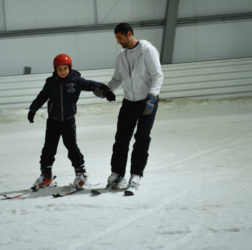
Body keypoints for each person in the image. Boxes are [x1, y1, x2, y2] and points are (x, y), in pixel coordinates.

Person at [28, 53, 116, 191]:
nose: (62, 71)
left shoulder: (76, 80)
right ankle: (46, 176)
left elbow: (92, 85)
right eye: (59, 69)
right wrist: (33, 109)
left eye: (65, 68)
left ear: (69, 68)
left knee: (72, 147)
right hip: (53, 121)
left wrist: (107, 92)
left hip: (68, 121)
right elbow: (42, 96)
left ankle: (81, 174)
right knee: (48, 149)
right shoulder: (51, 82)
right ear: (55, 69)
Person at [99, 22, 164, 195]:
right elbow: (117, 79)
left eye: (119, 38)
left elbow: (158, 76)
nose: (118, 41)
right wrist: (106, 90)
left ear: (129, 34)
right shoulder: (121, 57)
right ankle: (118, 174)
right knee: (121, 139)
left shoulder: (147, 51)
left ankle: (136, 175)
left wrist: (152, 96)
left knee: (142, 138)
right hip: (129, 101)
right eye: (116, 38)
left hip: (147, 102)